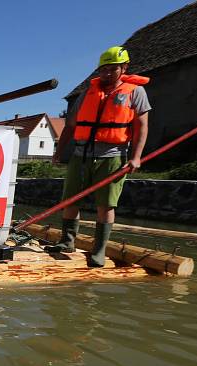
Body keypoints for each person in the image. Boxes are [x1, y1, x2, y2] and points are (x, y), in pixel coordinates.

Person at [47, 46, 150, 267]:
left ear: (124, 68)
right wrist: (58, 152)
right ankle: (67, 241)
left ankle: (99, 250)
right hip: (80, 154)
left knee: (106, 205)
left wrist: (136, 157)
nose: (106, 74)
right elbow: (70, 127)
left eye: (112, 69)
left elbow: (142, 127)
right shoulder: (88, 93)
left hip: (112, 157)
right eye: (103, 69)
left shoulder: (135, 92)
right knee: (70, 200)